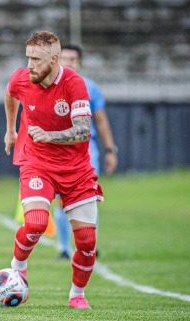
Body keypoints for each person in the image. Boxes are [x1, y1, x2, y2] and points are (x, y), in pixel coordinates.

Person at [4, 31, 103, 309]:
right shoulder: (22, 77)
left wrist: (49, 135)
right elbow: (10, 93)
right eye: (28, 58)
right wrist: (11, 130)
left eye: (36, 59)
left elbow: (83, 131)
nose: (30, 65)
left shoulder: (74, 83)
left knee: (86, 242)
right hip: (37, 163)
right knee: (35, 223)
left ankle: (76, 295)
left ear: (54, 59)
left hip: (76, 170)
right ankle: (18, 266)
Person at [53, 44, 118, 260]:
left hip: (86, 152)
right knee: (63, 201)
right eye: (64, 58)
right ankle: (63, 248)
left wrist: (110, 150)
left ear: (79, 62)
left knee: (88, 199)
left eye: (72, 59)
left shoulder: (90, 88)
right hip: (58, 151)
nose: (68, 63)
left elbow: (101, 121)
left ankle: (90, 246)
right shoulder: (49, 87)